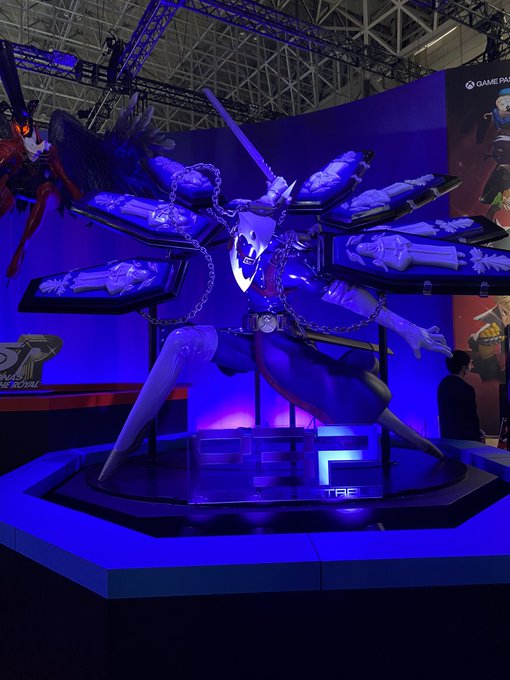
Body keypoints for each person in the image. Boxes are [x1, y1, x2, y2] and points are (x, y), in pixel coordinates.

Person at [437, 350, 484, 442]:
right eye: (470, 363)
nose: (471, 366)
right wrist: (477, 434)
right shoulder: (466, 388)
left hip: (447, 437)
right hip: (466, 439)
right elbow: (472, 416)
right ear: (464, 367)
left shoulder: (443, 385)